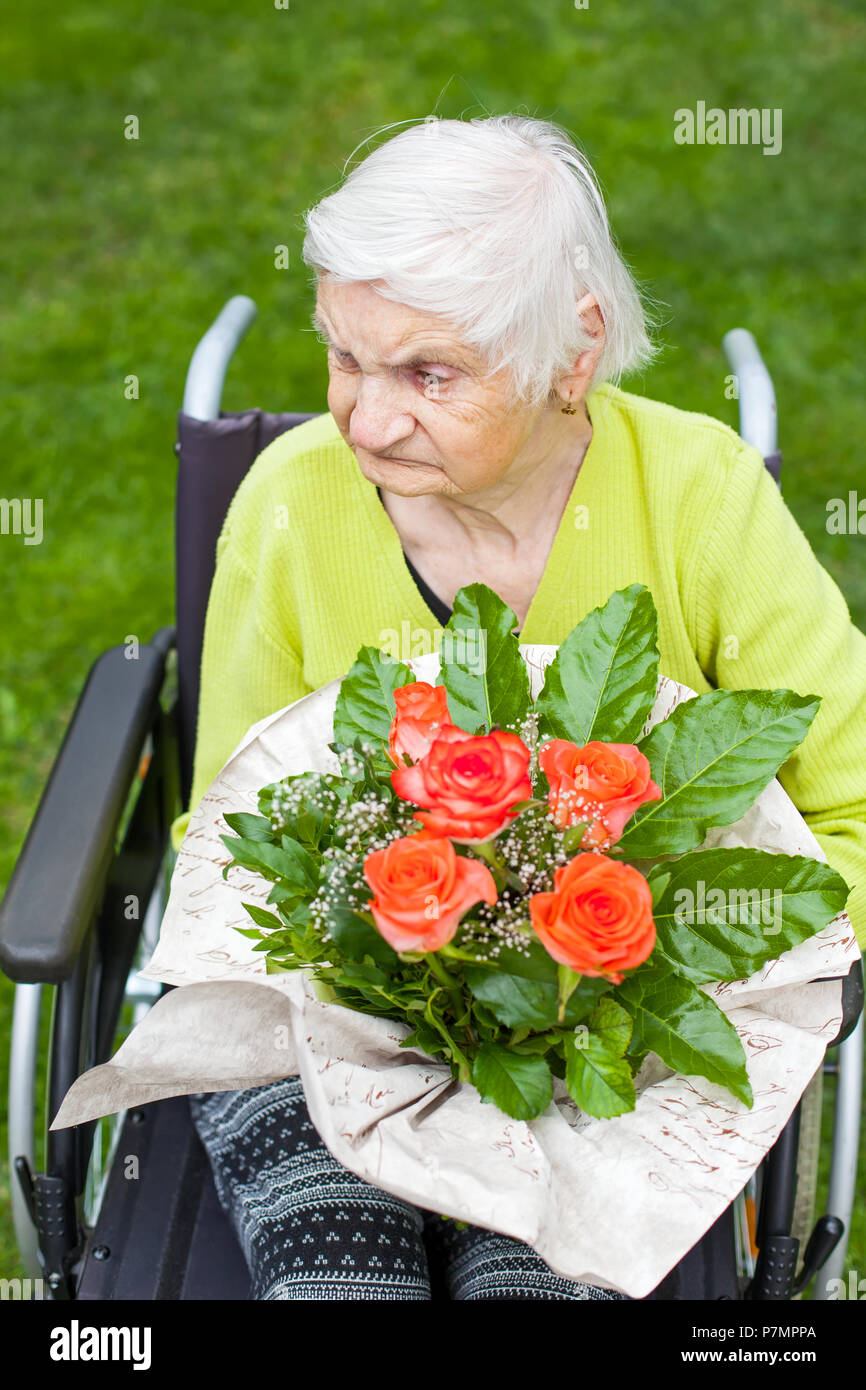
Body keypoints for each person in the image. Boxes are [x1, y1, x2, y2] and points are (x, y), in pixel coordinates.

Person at [174, 115, 866, 1299]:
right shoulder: (289, 506)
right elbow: (230, 833)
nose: (365, 419)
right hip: (326, 1017)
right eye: (344, 357)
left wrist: (648, 970)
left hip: (622, 1025)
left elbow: (846, 806)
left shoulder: (699, 499)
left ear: (571, 351)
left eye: (427, 373)